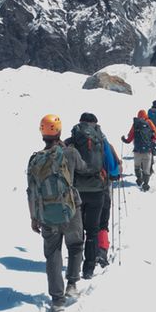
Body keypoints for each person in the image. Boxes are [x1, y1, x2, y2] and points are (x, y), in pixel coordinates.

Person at [26, 114, 88, 311]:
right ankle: (71, 284)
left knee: (53, 253)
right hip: (71, 209)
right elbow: (84, 169)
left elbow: (31, 191)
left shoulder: (35, 159)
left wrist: (34, 217)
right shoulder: (70, 153)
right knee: (76, 244)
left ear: (42, 133)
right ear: (60, 131)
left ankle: (57, 300)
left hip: (46, 214)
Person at [65, 112, 109, 280]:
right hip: (97, 190)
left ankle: (76, 261)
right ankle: (88, 269)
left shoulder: (72, 140)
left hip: (77, 192)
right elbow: (111, 165)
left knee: (78, 230)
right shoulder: (101, 140)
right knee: (93, 229)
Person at [97, 138, 122, 267]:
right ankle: (101, 251)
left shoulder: (73, 140)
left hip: (78, 191)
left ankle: (85, 256)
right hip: (101, 188)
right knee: (102, 222)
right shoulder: (103, 142)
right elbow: (113, 170)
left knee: (85, 224)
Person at [122, 109, 156, 191]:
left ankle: (139, 178)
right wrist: (152, 141)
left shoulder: (136, 123)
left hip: (137, 150)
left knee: (137, 166)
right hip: (148, 151)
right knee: (146, 168)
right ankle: (146, 184)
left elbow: (130, 137)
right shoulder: (149, 122)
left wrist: (125, 140)